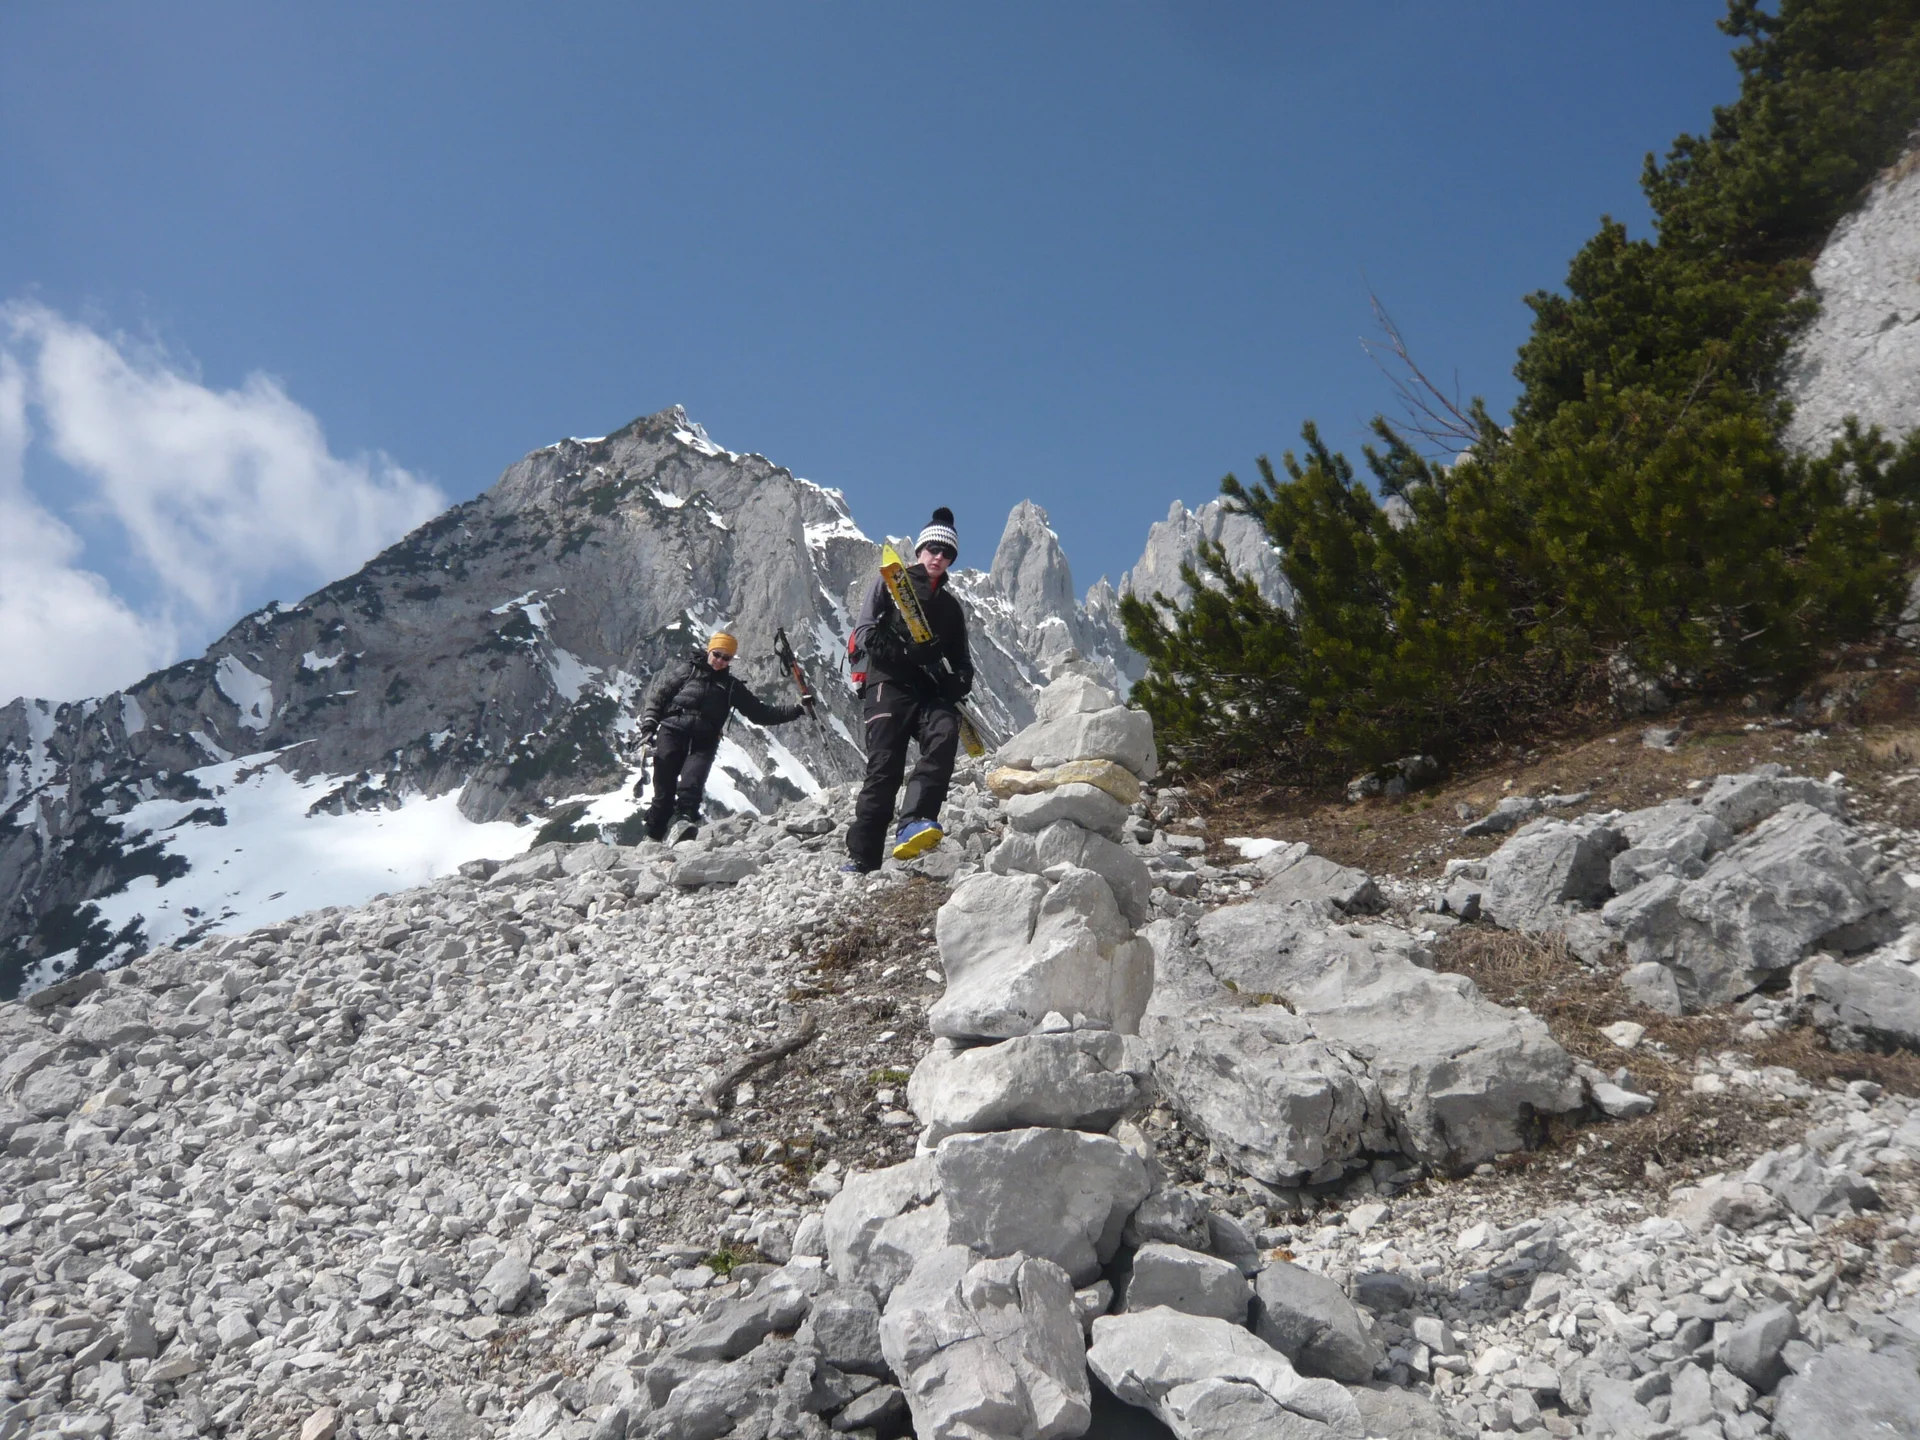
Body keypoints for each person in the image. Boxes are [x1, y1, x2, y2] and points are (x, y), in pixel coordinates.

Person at [844, 507, 974, 872]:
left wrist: (958, 681)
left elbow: (962, 661)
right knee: (885, 767)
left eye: (947, 553)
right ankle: (863, 857)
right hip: (887, 684)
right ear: (919, 551)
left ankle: (914, 821)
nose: (938, 557)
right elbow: (865, 632)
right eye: (933, 549)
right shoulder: (889, 583)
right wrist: (905, 652)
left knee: (945, 732)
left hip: (928, 691)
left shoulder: (951, 609)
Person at [637, 632, 808, 843]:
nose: (719, 661)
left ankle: (682, 833)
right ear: (709, 651)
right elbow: (658, 698)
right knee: (663, 794)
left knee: (691, 787)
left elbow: (760, 713)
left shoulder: (731, 687)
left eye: (726, 658)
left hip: (705, 741)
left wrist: (798, 709)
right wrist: (649, 727)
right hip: (671, 732)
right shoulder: (687, 672)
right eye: (717, 654)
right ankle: (652, 839)